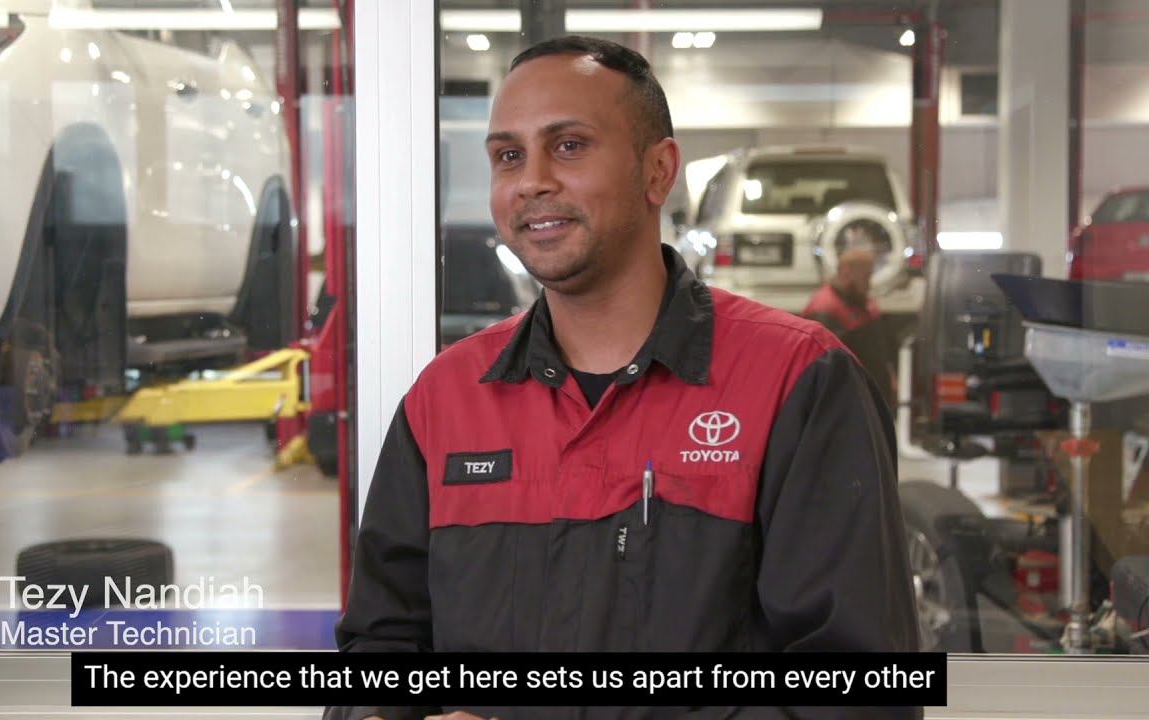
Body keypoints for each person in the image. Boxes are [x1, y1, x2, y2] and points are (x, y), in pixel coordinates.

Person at [326, 36, 920, 720]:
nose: (531, 181)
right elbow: (378, 649)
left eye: (569, 145)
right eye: (508, 156)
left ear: (658, 172)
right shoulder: (448, 398)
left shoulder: (797, 383)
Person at [802, 246, 900, 413]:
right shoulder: (825, 308)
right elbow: (829, 365)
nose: (869, 283)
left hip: (868, 397)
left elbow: (879, 351)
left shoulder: (863, 303)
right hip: (847, 402)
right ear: (847, 272)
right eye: (866, 276)